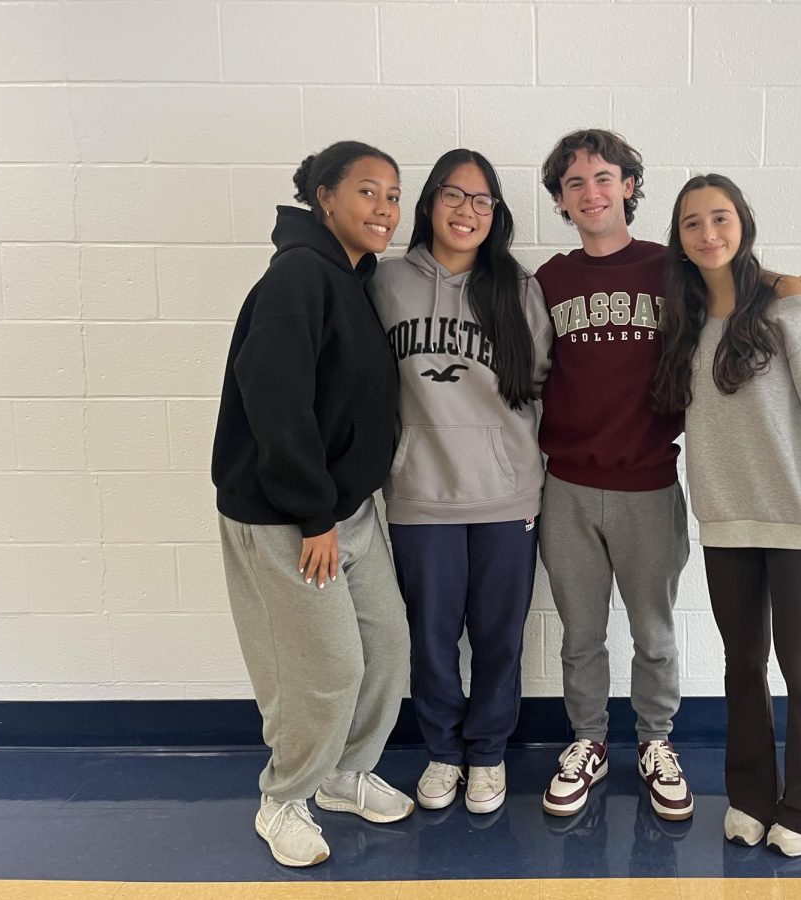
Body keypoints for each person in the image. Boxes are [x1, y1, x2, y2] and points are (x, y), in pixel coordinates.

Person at [534, 130, 801, 821]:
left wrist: (790, 284)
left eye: (604, 178)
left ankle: (656, 742)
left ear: (630, 187)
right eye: (575, 183)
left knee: (654, 633)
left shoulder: (672, 268)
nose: (591, 192)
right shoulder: (549, 280)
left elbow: (737, 277)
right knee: (580, 635)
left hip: (649, 483)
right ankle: (588, 742)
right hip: (568, 486)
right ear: (561, 199)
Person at [651, 174, 801, 857]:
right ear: (680, 240)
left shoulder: (792, 309)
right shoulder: (683, 324)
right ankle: (750, 797)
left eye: (720, 218)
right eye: (692, 223)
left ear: (743, 224)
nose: (708, 232)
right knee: (741, 665)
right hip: (726, 526)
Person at [212, 141, 413, 868]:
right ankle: (283, 796)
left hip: (345, 510)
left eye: (393, 195)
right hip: (290, 518)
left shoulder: (352, 278)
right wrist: (313, 514)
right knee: (326, 670)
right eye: (368, 192)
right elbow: (276, 399)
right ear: (324, 198)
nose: (385, 208)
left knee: (387, 648)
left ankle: (340, 775)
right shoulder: (298, 276)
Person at [371, 149, 552, 816]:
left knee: (501, 637)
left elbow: (538, 386)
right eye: (455, 195)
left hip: (507, 497)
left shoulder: (518, 288)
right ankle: (444, 751)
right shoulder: (385, 285)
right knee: (432, 636)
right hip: (420, 494)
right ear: (429, 204)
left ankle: (488, 755)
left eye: (482, 200)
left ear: (495, 214)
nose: (468, 210)